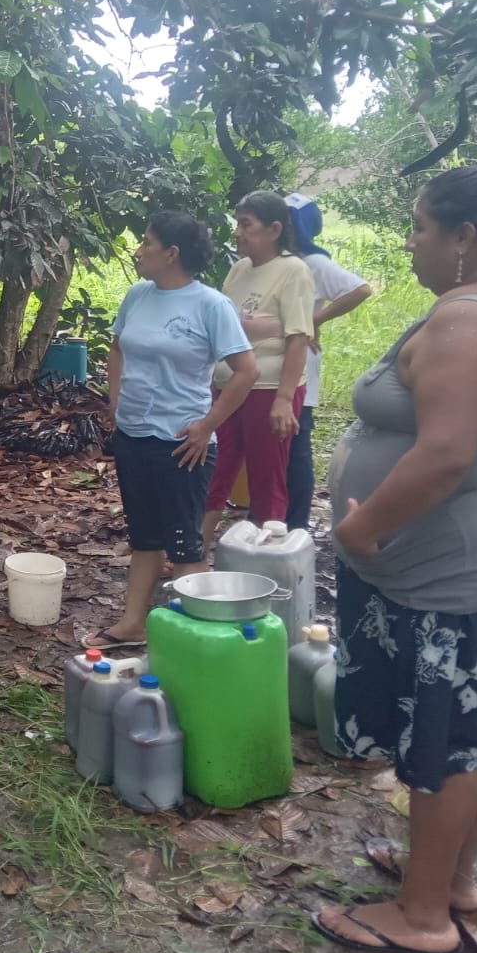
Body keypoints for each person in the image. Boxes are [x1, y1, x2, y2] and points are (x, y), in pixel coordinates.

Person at [314, 166, 477, 953]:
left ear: (465, 237)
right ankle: (452, 879)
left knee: (443, 743)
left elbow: (446, 455)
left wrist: (362, 531)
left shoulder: (470, 322)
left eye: (420, 227)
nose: (409, 241)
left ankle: (421, 917)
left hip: (445, 570)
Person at [87, 212, 257, 649]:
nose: (139, 250)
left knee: (184, 547)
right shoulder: (138, 295)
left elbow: (246, 371)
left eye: (147, 242)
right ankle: (132, 624)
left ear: (172, 253)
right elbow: (117, 347)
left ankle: (203, 644)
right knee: (144, 537)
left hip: (182, 444)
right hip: (133, 435)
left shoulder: (210, 305)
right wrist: (115, 399)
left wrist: (206, 426)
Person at [200, 191, 315, 551]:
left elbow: (298, 337)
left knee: (267, 475)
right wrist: (253, 325)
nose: (237, 232)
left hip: (268, 387)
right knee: (216, 465)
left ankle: (267, 556)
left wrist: (284, 399)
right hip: (229, 383)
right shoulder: (239, 269)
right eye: (238, 223)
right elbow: (224, 324)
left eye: (246, 224)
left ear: (274, 229)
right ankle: (195, 546)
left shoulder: (293, 271)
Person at [283, 193, 372, 531]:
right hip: (269, 365)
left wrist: (314, 320)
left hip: (299, 366)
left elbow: (360, 289)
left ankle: (296, 524)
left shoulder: (313, 263)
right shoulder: (269, 263)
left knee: (296, 445)